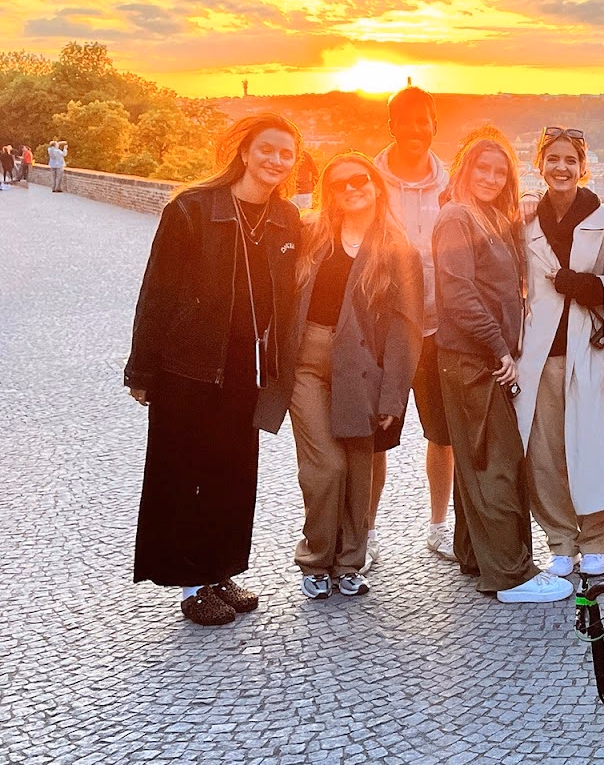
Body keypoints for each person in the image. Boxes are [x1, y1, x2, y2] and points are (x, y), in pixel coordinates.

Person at [125, 113, 304, 625]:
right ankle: (190, 585)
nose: (275, 160)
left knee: (234, 473)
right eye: (266, 149)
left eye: (286, 153)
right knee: (185, 474)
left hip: (247, 369)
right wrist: (143, 369)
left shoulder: (286, 218)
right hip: (189, 366)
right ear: (245, 152)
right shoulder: (192, 209)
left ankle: (221, 569)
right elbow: (156, 292)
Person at [433, 126, 571, 604]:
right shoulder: (455, 216)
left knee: (480, 458)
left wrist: (529, 201)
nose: (490, 177)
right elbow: (458, 294)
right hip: (473, 359)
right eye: (482, 168)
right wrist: (500, 350)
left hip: (477, 356)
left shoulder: (488, 215)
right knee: (498, 463)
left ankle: (474, 555)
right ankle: (510, 575)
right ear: (464, 170)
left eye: (500, 170)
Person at [288, 152, 424, 600]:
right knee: (326, 467)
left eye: (359, 179)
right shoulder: (310, 235)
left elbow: (407, 328)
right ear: (330, 193)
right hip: (307, 360)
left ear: (376, 184)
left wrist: (393, 398)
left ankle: (350, 562)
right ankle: (315, 557)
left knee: (359, 467)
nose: (351, 188)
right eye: (340, 183)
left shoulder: (397, 248)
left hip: (363, 368)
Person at [513, 126, 604, 579]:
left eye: (570, 160)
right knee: (544, 452)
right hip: (539, 351)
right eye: (553, 159)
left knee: (592, 447)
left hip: (589, 346)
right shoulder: (525, 221)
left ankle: (596, 536)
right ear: (540, 165)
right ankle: (559, 538)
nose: (561, 168)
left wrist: (576, 285)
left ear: (585, 167)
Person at [372, 86, 457, 565]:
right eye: (406, 122)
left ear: (433, 125)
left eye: (423, 121)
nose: (415, 130)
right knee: (376, 437)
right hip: (384, 330)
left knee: (441, 435)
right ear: (393, 126)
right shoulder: (373, 182)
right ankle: (367, 530)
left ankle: (438, 525)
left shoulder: (451, 185)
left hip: (436, 329)